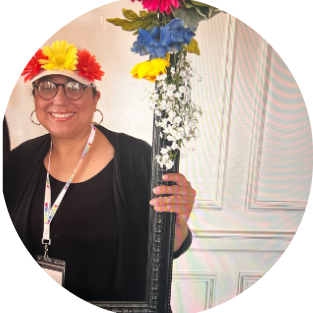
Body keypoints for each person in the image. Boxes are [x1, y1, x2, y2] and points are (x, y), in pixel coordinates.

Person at [3, 40, 196, 303]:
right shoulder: (18, 160)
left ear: (96, 98)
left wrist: (178, 223)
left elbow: (164, 253)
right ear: (36, 99)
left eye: (74, 87)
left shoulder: (139, 159)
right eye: (46, 87)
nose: (59, 99)